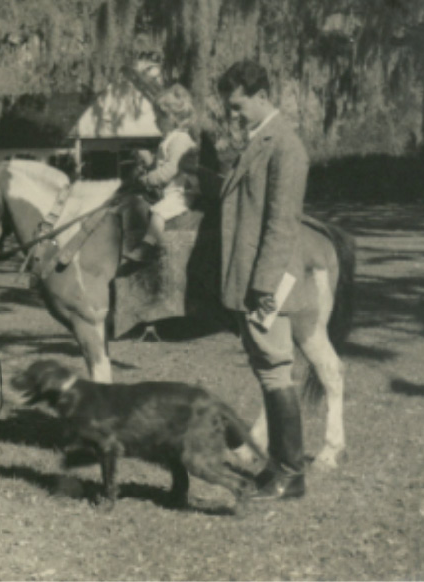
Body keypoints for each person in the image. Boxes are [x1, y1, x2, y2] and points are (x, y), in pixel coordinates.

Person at [216, 60, 310, 500]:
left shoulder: (285, 146)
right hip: (253, 277)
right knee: (268, 370)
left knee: (276, 369)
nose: (232, 115)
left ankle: (291, 472)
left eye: (237, 107)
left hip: (268, 279)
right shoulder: (258, 142)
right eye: (228, 108)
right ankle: (278, 468)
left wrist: (263, 286)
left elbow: (282, 224)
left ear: (261, 96)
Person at [124, 84, 199, 263]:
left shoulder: (181, 140)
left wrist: (149, 179)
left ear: (172, 118)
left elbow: (172, 169)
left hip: (181, 193)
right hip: (170, 191)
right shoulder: (169, 140)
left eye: (159, 116)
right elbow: (161, 166)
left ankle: (147, 246)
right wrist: (148, 162)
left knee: (158, 212)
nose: (156, 120)